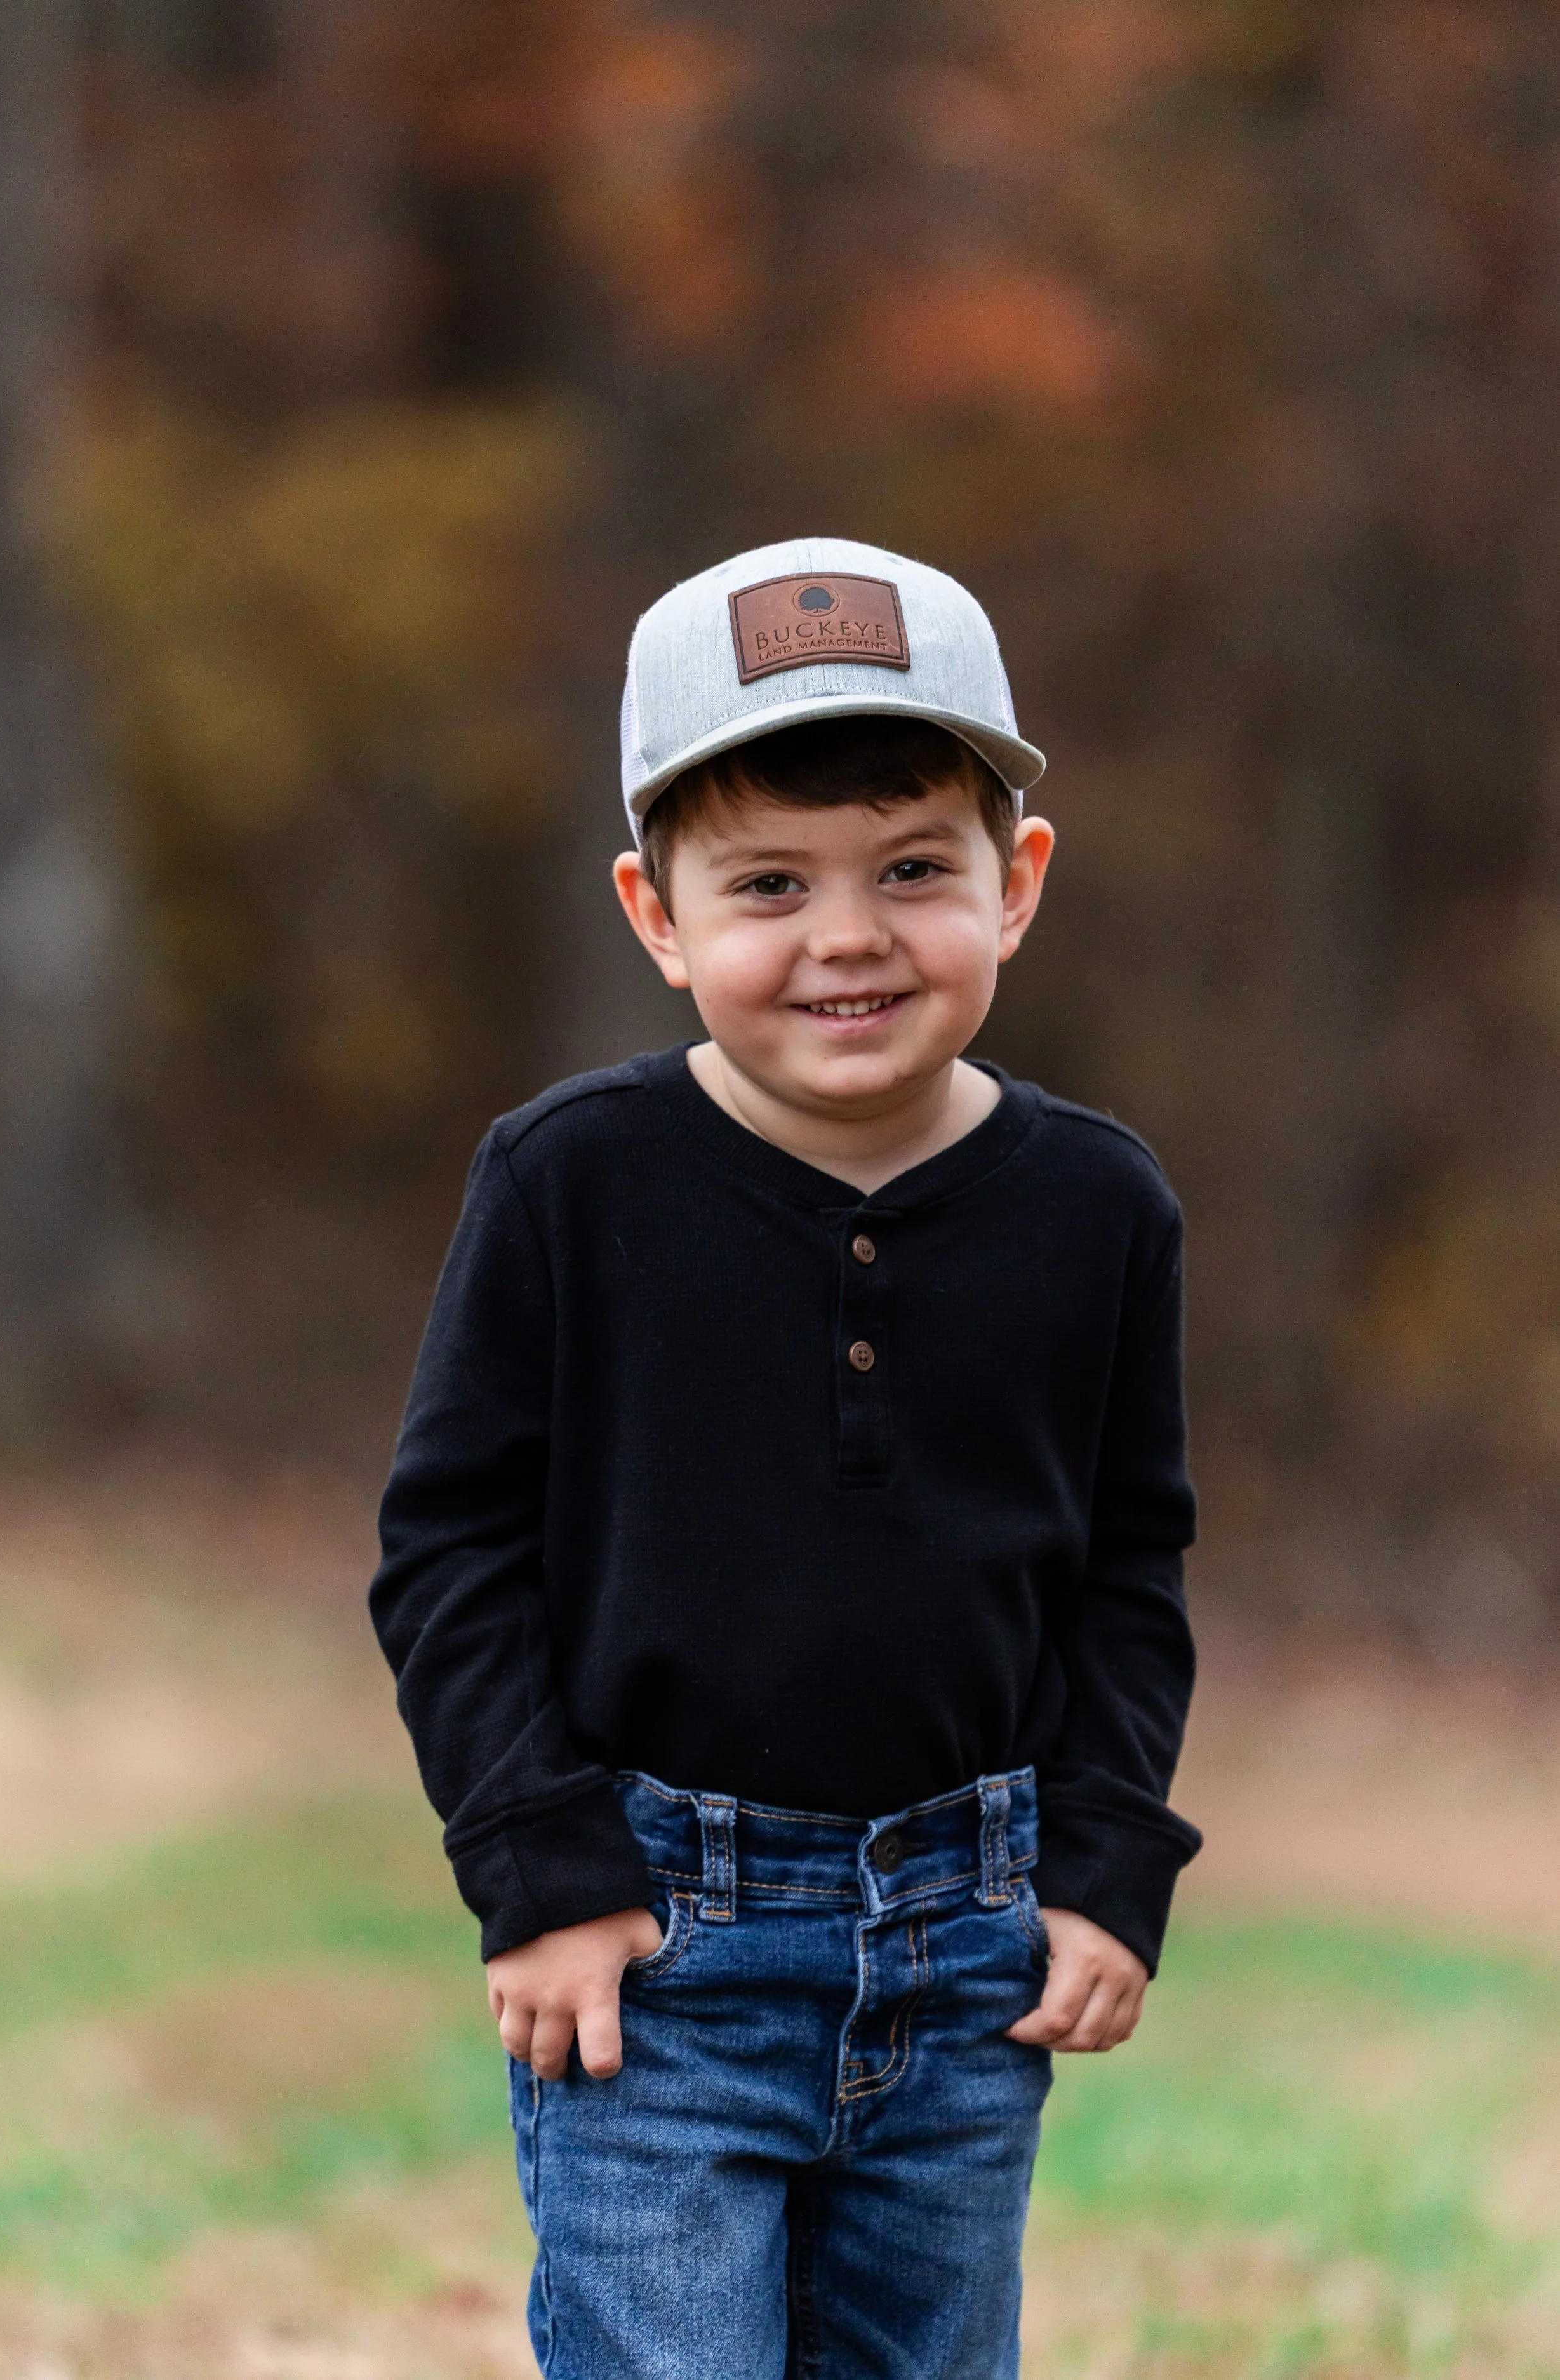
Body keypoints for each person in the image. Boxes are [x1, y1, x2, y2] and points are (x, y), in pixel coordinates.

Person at [370, 536, 1200, 2379]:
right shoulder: (570, 1181)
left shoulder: (1093, 1207)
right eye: (767, 883)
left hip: (971, 1939)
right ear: (654, 912)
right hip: (656, 1947)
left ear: (1019, 880)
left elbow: (1125, 1565)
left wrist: (1105, 1854)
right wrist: (543, 1868)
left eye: (915, 868)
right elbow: (448, 1550)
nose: (846, 934)